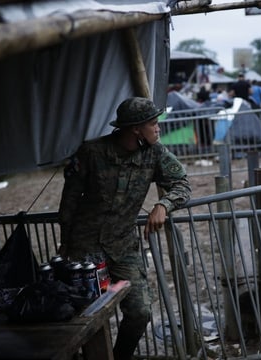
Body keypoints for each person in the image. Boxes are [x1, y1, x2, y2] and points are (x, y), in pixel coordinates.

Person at [58, 97, 192, 360]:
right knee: (81, 314)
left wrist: (163, 205)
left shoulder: (155, 153)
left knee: (140, 312)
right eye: (153, 123)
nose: (158, 128)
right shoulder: (92, 152)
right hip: (85, 248)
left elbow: (182, 184)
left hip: (123, 247)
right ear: (135, 128)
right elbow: (69, 200)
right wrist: (66, 244)